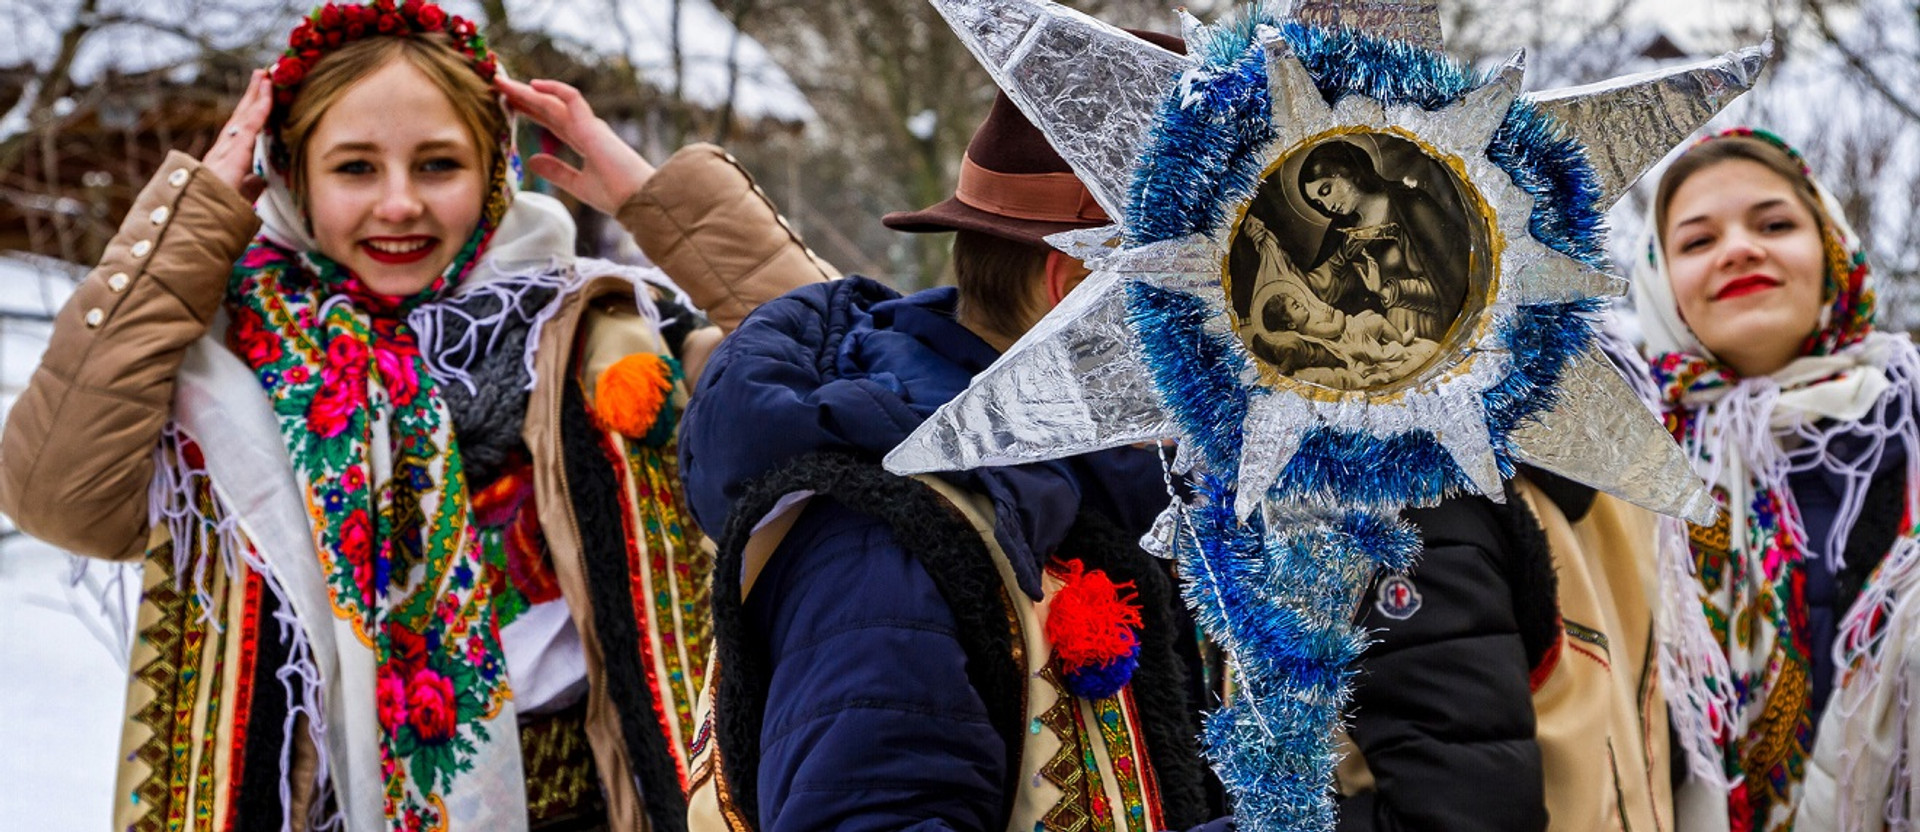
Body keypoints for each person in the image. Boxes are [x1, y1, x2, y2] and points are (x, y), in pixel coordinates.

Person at [0, 3, 821, 829]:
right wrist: (191, 221)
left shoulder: (604, 330)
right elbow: (54, 493)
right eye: (355, 168)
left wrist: (660, 202)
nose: (399, 205)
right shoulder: (221, 366)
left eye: (438, 165)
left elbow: (848, 381)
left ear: (496, 170)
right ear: (289, 175)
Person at [662, 56, 1230, 829]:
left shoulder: (1114, 482)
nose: (1259, 348)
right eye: (1219, 292)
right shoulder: (883, 554)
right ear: (1077, 289)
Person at [1635, 128, 1920, 830]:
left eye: (1775, 224)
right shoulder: (1616, 470)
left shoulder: (1910, 424)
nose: (1739, 249)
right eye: (1698, 242)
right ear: (1658, 282)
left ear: (1833, 250)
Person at [1287, 139, 1466, 342]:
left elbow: (1449, 285)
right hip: (1378, 335)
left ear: (1347, 171)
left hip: (1420, 327)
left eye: (1326, 190)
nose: (1327, 206)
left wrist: (1386, 290)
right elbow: (1325, 289)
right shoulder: (1342, 233)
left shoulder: (1411, 207)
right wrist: (1276, 255)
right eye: (1318, 202)